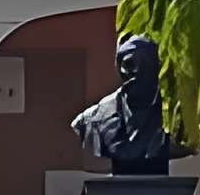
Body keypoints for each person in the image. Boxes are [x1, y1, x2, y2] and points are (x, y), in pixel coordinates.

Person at [72, 33, 178, 176]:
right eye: (130, 64)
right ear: (119, 67)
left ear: (157, 69)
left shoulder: (177, 118)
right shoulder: (92, 119)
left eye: (145, 64)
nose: (137, 71)